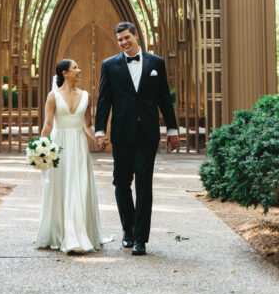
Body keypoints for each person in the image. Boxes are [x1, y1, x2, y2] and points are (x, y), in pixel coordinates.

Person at [94, 21, 178, 256]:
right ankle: (128, 231)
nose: (124, 43)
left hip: (147, 134)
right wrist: (100, 131)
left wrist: (172, 130)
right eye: (120, 40)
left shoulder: (156, 63)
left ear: (136, 36)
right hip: (121, 133)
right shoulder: (109, 65)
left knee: (144, 184)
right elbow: (104, 101)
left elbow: (164, 99)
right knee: (121, 183)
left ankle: (141, 238)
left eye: (127, 38)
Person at [34, 58, 102, 254]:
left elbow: (87, 125)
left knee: (79, 187)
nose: (79, 70)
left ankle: (80, 233)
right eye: (75, 67)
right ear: (64, 73)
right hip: (59, 144)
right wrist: (41, 147)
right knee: (60, 187)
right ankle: (59, 233)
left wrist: (97, 138)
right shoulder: (53, 96)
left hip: (79, 146)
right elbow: (47, 124)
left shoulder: (86, 96)